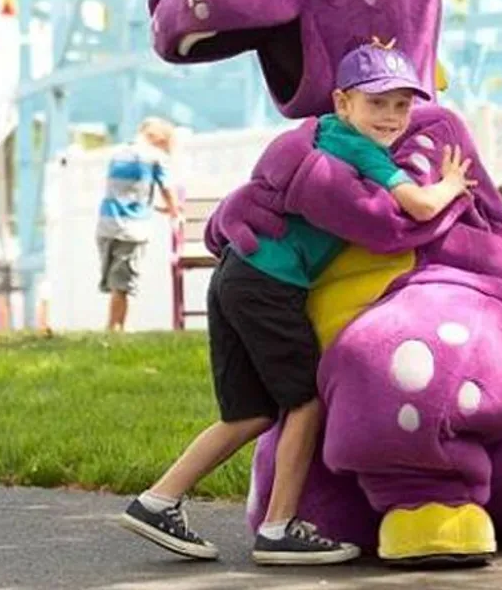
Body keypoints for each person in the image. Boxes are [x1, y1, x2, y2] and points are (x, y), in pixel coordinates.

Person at [120, 40, 475, 565]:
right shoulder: (359, 150)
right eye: (377, 103)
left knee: (250, 414)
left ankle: (157, 500)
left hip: (235, 277)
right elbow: (420, 206)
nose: (392, 117)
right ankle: (279, 528)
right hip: (269, 285)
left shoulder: (322, 135)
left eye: (402, 105)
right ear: (342, 103)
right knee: (305, 403)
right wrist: (450, 184)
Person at [96, 117, 179, 331]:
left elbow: (127, 193)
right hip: (131, 229)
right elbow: (167, 189)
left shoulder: (118, 154)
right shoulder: (155, 158)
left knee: (114, 282)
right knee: (122, 285)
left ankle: (113, 327)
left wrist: (156, 208)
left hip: (106, 225)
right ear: (159, 139)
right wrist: (174, 210)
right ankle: (115, 329)